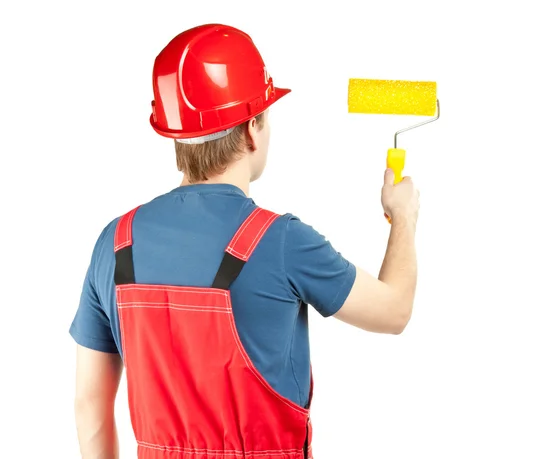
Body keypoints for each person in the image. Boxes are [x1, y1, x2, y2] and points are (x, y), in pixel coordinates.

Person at [69, 23, 420, 459]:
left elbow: (90, 408)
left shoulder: (115, 243)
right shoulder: (282, 241)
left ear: (175, 132)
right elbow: (394, 311)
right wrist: (403, 218)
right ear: (253, 127)